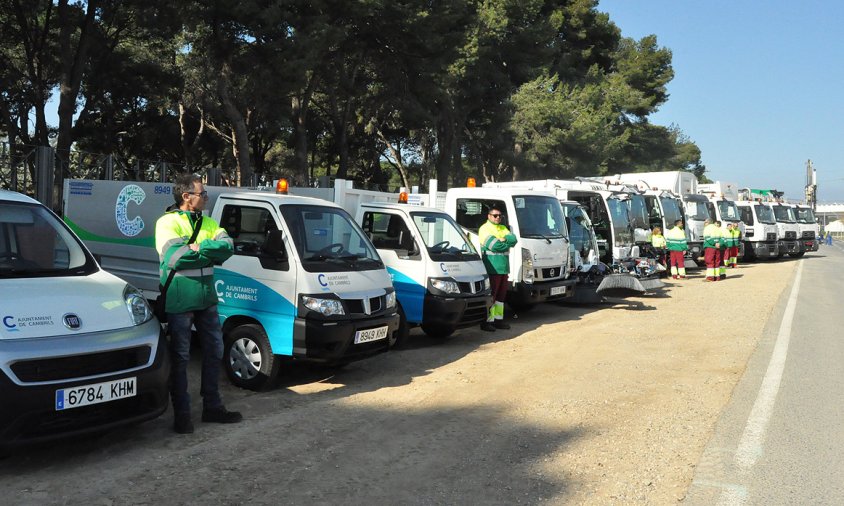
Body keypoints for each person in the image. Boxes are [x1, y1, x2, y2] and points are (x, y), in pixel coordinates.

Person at [156, 174, 242, 434]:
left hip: (206, 297)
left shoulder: (209, 222)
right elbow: (175, 257)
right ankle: (182, 415)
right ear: (186, 196)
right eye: (202, 194)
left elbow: (228, 247)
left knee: (215, 351)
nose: (206, 198)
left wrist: (198, 247)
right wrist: (207, 251)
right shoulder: (166, 222)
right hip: (181, 299)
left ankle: (212, 408)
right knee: (181, 357)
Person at [478, 205, 517, 332]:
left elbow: (514, 240)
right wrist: (505, 242)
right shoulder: (484, 228)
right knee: (492, 296)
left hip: (503, 268)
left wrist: (503, 239)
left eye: (499, 216)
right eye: (495, 215)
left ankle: (498, 320)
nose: (497, 218)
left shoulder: (503, 227)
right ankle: (487, 322)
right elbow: (495, 246)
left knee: (501, 297)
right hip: (492, 267)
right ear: (489, 216)